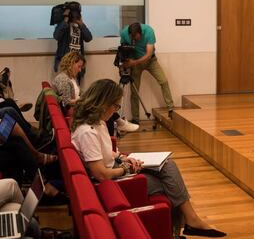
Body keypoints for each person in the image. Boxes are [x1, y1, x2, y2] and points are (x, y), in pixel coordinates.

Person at [71, 79, 226, 238]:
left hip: (116, 168)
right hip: (112, 181)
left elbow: (104, 152)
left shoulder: (98, 122)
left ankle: (187, 224)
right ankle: (184, 226)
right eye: (116, 106)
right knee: (169, 186)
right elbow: (101, 174)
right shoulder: (87, 132)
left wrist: (124, 158)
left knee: (168, 166)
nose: (116, 110)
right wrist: (125, 168)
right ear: (104, 103)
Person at [52, 52, 138, 133]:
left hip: (78, 106)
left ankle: (120, 123)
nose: (80, 70)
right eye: (79, 66)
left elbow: (80, 94)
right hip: (75, 111)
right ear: (70, 64)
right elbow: (66, 102)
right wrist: (87, 100)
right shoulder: (63, 79)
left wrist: (91, 96)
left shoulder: (70, 78)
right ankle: (120, 123)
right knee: (103, 107)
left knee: (103, 101)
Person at [120, 23, 174, 123]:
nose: (134, 39)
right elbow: (123, 49)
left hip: (150, 61)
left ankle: (171, 108)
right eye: (132, 37)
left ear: (141, 33)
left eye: (136, 37)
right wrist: (125, 62)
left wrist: (133, 62)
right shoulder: (124, 33)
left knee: (164, 81)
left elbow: (149, 54)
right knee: (134, 90)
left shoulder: (149, 31)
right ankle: (135, 118)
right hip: (135, 62)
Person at [53, 7, 92, 82]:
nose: (75, 16)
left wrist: (81, 24)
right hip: (65, 61)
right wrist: (65, 19)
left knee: (75, 88)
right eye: (73, 14)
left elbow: (89, 38)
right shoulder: (63, 25)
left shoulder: (80, 26)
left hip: (77, 62)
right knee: (64, 86)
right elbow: (56, 36)